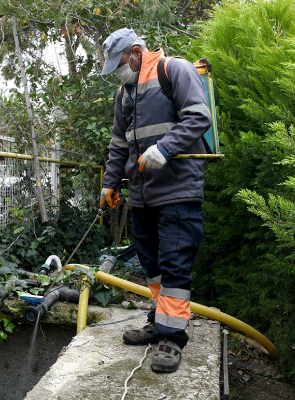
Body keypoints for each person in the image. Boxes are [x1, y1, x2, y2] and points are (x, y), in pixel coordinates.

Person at [98, 28, 212, 373]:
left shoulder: (173, 70)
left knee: (175, 265)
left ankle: (172, 339)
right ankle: (159, 319)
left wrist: (164, 148)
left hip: (178, 190)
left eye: (118, 64)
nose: (117, 72)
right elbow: (120, 144)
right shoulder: (124, 93)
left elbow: (198, 116)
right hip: (143, 195)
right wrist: (109, 184)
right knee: (153, 265)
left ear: (135, 52)